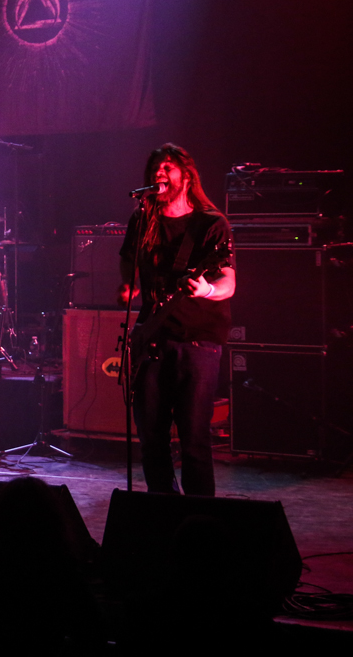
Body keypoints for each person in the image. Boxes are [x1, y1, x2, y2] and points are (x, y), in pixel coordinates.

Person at [119, 143, 235, 497]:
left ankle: (199, 515)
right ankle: (163, 509)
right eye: (155, 166)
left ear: (186, 176)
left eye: (167, 166)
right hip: (152, 336)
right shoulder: (142, 220)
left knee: (193, 438)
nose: (159, 172)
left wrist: (207, 290)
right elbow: (127, 261)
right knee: (151, 436)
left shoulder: (211, 224)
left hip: (197, 341)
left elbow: (228, 281)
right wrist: (128, 286)